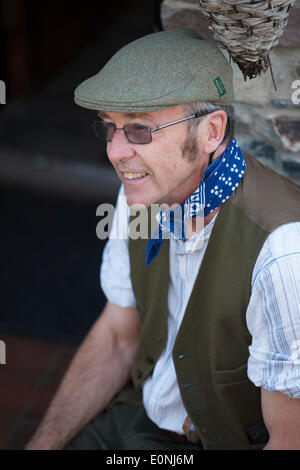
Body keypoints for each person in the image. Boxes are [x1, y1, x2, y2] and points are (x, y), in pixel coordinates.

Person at [26, 28, 300, 451]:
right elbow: (118, 336)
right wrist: (43, 443)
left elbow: (289, 438)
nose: (115, 152)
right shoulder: (143, 191)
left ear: (212, 132)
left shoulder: (282, 250)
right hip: (137, 415)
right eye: (110, 128)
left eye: (139, 130)